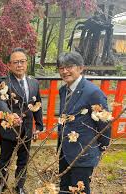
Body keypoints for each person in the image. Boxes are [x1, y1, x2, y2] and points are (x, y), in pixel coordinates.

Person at [57, 51, 111, 194]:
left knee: (80, 189)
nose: (65, 71)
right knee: (64, 187)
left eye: (69, 67)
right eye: (61, 68)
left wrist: (100, 147)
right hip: (65, 150)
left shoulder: (93, 92)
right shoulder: (64, 90)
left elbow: (104, 123)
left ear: (80, 68)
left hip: (83, 152)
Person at [0, 48, 43, 194]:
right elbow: (0, 102)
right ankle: (2, 183)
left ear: (26, 63)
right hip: (10, 128)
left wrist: (39, 125)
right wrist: (10, 115)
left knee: (23, 159)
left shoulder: (34, 83)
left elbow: (37, 104)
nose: (19, 65)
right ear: (9, 65)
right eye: (16, 62)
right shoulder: (4, 82)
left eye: (22, 61)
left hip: (26, 129)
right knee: (5, 160)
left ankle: (19, 185)